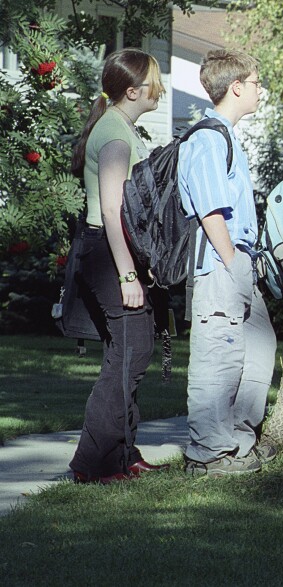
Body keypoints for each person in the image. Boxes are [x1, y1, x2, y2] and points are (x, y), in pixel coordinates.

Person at [67, 49, 168, 483]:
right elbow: (112, 209)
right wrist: (128, 274)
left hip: (114, 251)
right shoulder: (114, 132)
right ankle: (93, 464)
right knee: (130, 353)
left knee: (128, 354)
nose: (159, 89)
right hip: (109, 254)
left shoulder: (121, 127)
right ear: (132, 91)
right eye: (153, 82)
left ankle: (123, 454)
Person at [178, 48, 276, 476]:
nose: (260, 90)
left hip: (238, 263)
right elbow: (210, 211)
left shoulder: (228, 137)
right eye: (255, 83)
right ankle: (209, 453)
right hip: (220, 264)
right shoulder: (207, 138)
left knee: (257, 351)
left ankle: (238, 442)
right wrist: (233, 261)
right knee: (217, 356)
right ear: (236, 87)